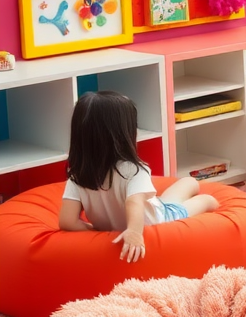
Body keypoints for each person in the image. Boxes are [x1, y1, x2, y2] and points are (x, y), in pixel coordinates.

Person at [59, 90, 219, 262]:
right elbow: (133, 201)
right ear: (122, 134)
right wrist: (134, 233)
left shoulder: (78, 176)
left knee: (187, 183)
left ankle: (174, 195)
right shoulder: (134, 170)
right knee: (207, 199)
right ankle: (203, 201)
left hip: (154, 208)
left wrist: (99, 233)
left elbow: (67, 221)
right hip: (162, 220)